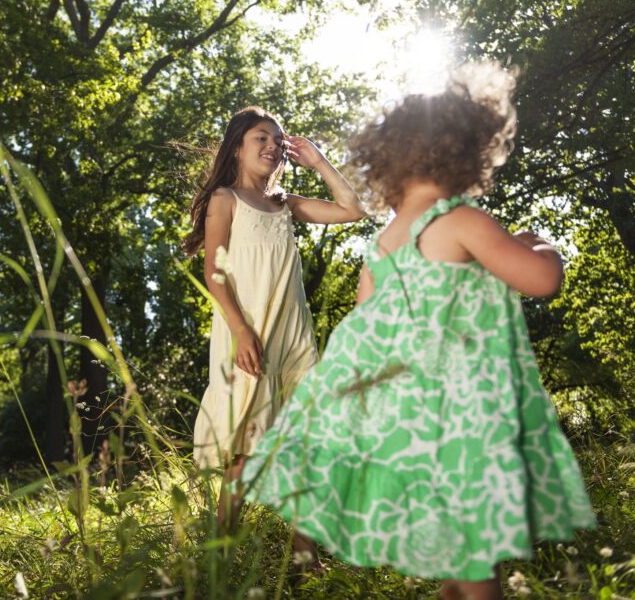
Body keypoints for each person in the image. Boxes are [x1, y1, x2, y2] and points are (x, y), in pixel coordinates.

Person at [240, 64, 596, 599]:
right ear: (469, 156)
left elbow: (361, 335)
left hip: (412, 427)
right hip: (463, 417)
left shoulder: (381, 247)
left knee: (460, 559)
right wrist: (537, 241)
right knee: (477, 561)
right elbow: (541, 280)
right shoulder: (460, 221)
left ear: (389, 166)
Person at [182, 106, 366, 538]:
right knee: (244, 451)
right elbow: (214, 272)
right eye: (260, 138)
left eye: (277, 140)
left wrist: (318, 160)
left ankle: (305, 559)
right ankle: (219, 550)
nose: (271, 145)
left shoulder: (286, 205)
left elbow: (352, 209)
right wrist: (241, 330)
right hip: (248, 333)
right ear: (237, 149)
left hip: (292, 338)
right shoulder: (225, 200)